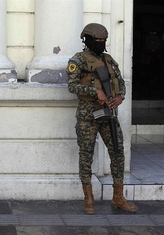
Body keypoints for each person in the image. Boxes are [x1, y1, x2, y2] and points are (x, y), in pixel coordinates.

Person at [66, 23, 137, 214]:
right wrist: (95, 91)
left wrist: (120, 96)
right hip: (88, 116)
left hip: (109, 115)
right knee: (86, 155)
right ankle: (88, 199)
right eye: (96, 41)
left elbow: (120, 82)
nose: (100, 44)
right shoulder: (78, 60)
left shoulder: (109, 60)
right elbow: (72, 86)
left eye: (102, 41)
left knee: (117, 153)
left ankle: (118, 197)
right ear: (87, 40)